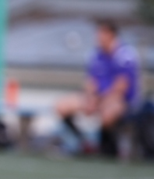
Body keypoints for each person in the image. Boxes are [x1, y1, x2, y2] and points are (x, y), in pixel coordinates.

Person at [55, 20, 140, 156]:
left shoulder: (124, 55)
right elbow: (90, 82)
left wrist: (101, 100)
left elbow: (121, 87)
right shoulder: (96, 55)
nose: (98, 38)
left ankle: (109, 149)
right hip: (97, 98)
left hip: (119, 100)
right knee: (62, 106)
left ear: (111, 35)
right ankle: (83, 143)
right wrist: (90, 98)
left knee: (108, 114)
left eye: (101, 34)